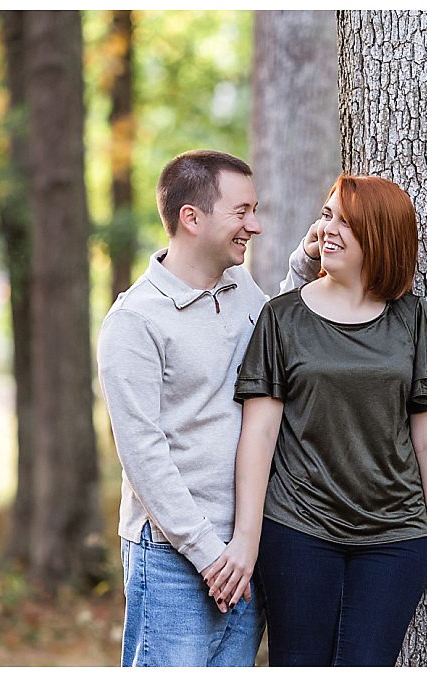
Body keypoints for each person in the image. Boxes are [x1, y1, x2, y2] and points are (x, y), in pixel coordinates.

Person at [213, 174, 427, 666]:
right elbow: (259, 434)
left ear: (380, 236)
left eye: (346, 222)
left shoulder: (414, 322)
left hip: (395, 538)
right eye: (327, 215)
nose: (328, 229)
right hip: (297, 530)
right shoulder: (281, 317)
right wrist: (246, 537)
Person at [96, 149, 320, 666]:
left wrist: (304, 265)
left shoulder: (238, 287)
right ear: (191, 219)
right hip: (177, 557)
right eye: (241, 212)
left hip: (245, 545)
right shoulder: (136, 321)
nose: (255, 225)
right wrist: (208, 555)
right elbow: (143, 455)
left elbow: (276, 338)